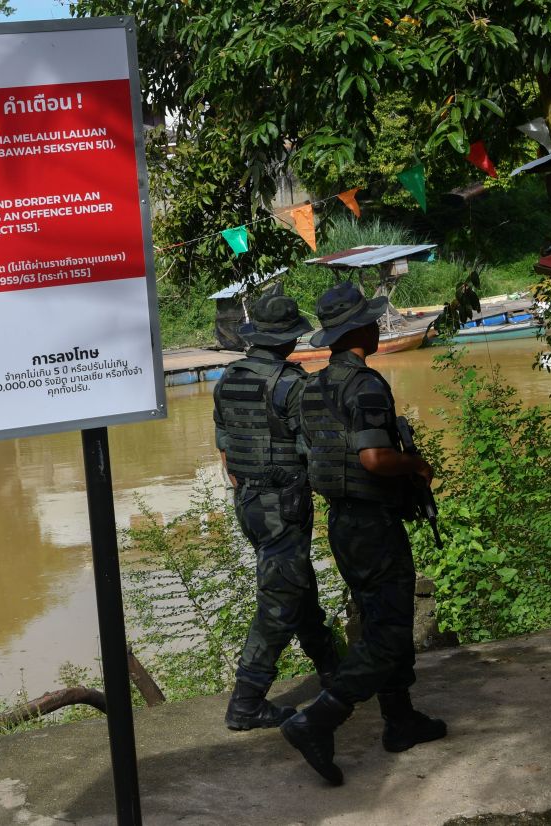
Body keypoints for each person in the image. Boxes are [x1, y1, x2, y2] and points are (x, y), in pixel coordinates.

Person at [280, 281, 446, 785]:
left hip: (342, 522)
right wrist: (417, 465)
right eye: (371, 321)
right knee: (389, 633)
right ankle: (318, 718)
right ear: (359, 331)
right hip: (373, 524)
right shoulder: (365, 385)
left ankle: (400, 720)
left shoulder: (311, 387)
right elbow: (374, 458)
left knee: (379, 620)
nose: (377, 327)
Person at [213, 286, 340, 732]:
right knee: (280, 599)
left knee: (297, 587)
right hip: (283, 505)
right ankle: (246, 702)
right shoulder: (292, 385)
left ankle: (335, 673)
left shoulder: (228, 379)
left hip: (248, 502)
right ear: (288, 339)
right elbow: (316, 451)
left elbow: (225, 448)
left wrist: (251, 490)